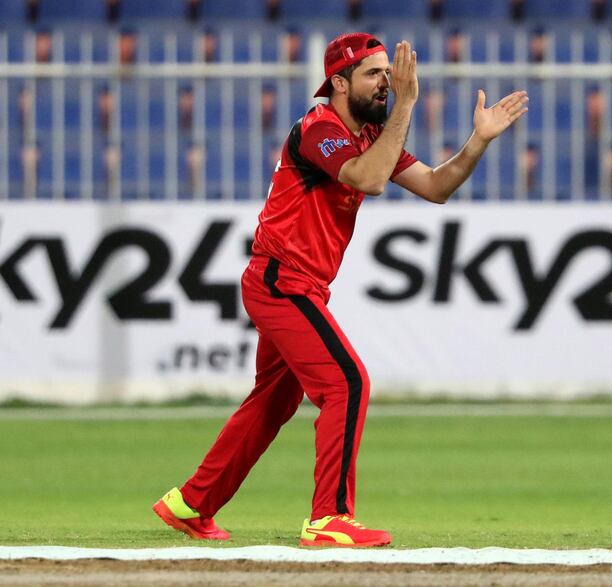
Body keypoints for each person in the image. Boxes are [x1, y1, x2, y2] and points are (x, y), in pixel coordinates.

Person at [152, 33, 527, 547]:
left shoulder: (372, 133)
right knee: (346, 382)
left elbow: (437, 187)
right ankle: (328, 517)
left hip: (299, 286)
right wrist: (408, 105)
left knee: (273, 402)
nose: (388, 83)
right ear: (338, 82)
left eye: (388, 75)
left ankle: (192, 502)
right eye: (375, 74)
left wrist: (477, 141)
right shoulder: (318, 129)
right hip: (280, 281)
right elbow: (366, 180)